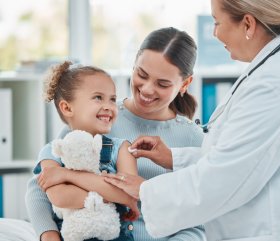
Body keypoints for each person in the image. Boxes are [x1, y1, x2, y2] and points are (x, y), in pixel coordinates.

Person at [103, 1, 280, 241]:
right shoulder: (276, 69)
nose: (214, 33)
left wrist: (145, 190)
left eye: (217, 22)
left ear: (248, 24)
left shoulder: (276, 84)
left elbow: (225, 177)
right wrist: (173, 158)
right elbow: (241, 157)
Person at [25, 27, 206, 241]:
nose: (147, 89)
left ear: (185, 84)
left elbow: (195, 222)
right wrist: (49, 234)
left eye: (162, 83)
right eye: (142, 74)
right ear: (133, 66)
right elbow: (40, 187)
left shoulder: (193, 139)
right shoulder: (97, 119)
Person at [29, 60, 140, 241]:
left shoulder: (122, 149)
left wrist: (67, 175)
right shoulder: (52, 152)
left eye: (112, 99)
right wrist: (109, 195)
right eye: (98, 97)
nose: (109, 105)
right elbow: (60, 197)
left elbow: (129, 194)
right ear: (67, 107)